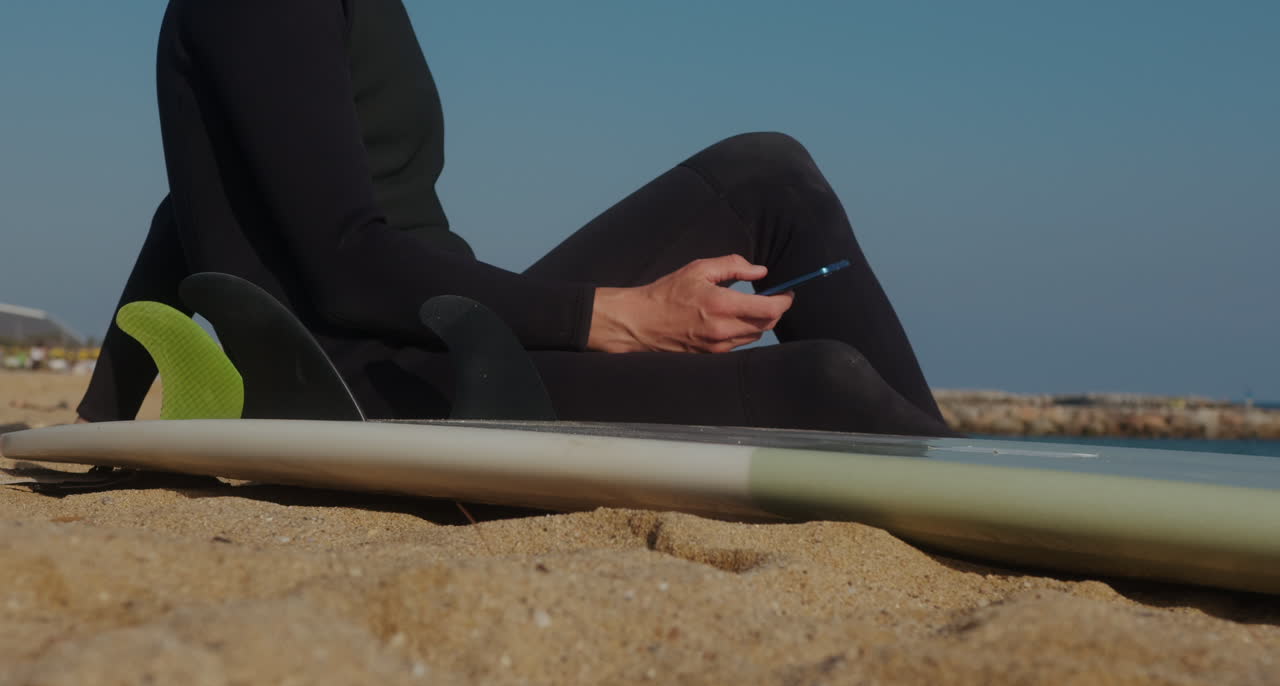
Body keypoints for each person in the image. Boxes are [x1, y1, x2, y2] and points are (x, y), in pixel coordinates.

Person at [77, 0, 955, 437]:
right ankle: (965, 486)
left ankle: (963, 468)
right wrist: (621, 316)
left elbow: (186, 204)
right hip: (361, 379)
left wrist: (95, 418)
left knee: (769, 173)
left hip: (440, 340)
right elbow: (344, 265)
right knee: (822, 383)